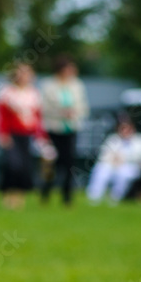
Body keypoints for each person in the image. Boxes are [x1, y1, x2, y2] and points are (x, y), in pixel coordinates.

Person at [0, 62, 54, 210]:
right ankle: (8, 194)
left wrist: (41, 137)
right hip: (12, 134)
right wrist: (2, 133)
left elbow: (38, 119)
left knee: (24, 166)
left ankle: (20, 195)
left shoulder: (34, 94)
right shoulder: (6, 93)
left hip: (27, 135)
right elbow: (1, 116)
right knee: (13, 164)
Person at [40, 55, 89, 206]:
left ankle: (67, 196)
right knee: (52, 162)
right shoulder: (48, 85)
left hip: (71, 129)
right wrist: (60, 112)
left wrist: (74, 113)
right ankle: (46, 193)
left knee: (69, 163)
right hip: (53, 129)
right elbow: (43, 108)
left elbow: (83, 107)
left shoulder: (77, 85)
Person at [85, 114, 141, 204]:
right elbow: (103, 153)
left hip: (130, 166)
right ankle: (94, 196)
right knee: (101, 169)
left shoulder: (139, 140)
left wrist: (123, 158)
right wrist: (112, 159)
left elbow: (140, 155)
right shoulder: (113, 139)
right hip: (112, 164)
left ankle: (115, 197)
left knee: (123, 174)